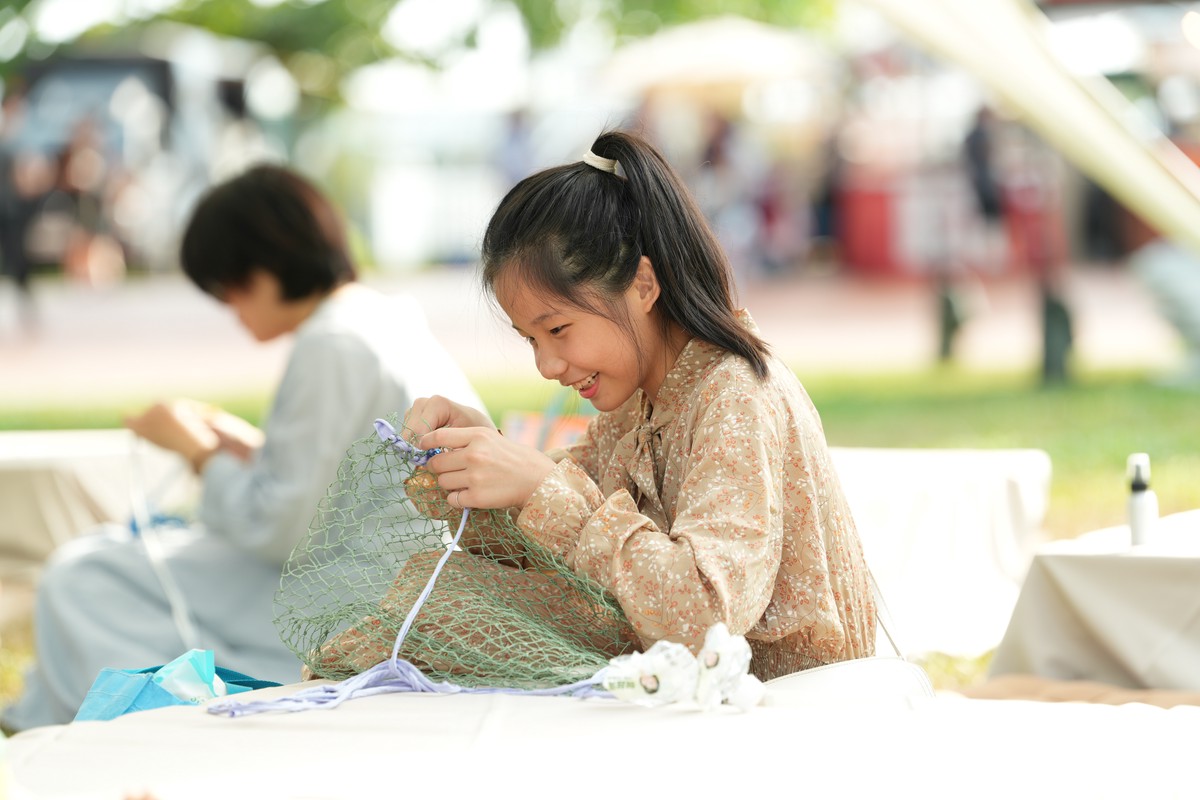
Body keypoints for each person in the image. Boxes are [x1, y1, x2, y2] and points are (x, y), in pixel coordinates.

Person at [1, 164, 486, 731]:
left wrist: (198, 453)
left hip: (358, 592)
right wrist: (246, 449)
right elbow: (335, 479)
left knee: (83, 575)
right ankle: (78, 710)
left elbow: (281, 526)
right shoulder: (375, 319)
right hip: (396, 577)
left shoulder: (333, 341)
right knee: (112, 561)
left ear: (265, 268)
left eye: (232, 290)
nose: (234, 310)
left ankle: (143, 721)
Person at [402, 130, 876, 682]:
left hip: (783, 716)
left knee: (438, 614)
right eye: (531, 340)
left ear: (643, 284)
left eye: (557, 329)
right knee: (434, 596)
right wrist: (477, 459)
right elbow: (566, 515)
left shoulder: (734, 394)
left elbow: (706, 619)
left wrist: (537, 487)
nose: (547, 365)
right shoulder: (642, 399)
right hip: (693, 702)